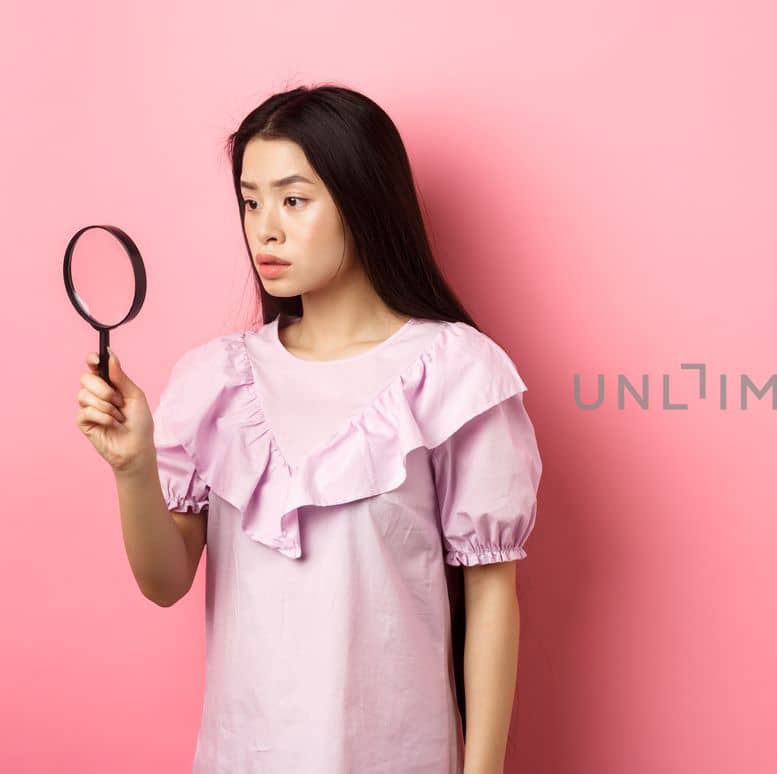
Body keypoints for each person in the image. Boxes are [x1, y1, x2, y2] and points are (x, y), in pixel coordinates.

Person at [74, 84, 541, 774]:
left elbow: (491, 593)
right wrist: (133, 466)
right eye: (250, 201)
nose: (265, 228)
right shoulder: (214, 379)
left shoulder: (454, 373)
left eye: (294, 200)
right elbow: (165, 582)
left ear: (364, 199)